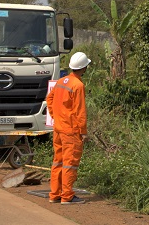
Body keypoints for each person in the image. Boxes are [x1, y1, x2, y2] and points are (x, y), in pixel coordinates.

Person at [46, 51, 91, 205]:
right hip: (71, 131)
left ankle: (54, 194)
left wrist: (55, 115)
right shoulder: (78, 85)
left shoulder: (61, 81)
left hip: (58, 129)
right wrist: (83, 132)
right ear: (84, 68)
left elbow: (49, 99)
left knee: (58, 161)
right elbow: (80, 111)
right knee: (69, 163)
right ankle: (67, 196)